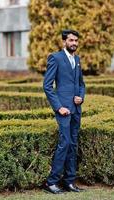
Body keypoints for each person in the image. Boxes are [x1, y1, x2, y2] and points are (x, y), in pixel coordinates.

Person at [43, 29, 86, 194]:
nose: (74, 43)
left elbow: (81, 84)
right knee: (65, 143)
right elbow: (47, 86)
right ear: (64, 42)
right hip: (63, 110)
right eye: (71, 40)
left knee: (73, 144)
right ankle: (51, 182)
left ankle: (69, 181)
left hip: (76, 109)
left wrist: (81, 97)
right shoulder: (55, 58)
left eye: (76, 40)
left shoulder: (77, 59)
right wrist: (58, 107)